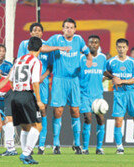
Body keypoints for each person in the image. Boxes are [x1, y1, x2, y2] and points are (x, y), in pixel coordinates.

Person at [44, 17, 93, 154]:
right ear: (62, 29)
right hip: (59, 80)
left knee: (75, 111)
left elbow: (88, 54)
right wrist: (58, 48)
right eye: (66, 27)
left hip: (74, 80)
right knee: (58, 111)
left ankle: (77, 144)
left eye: (71, 27)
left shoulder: (79, 40)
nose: (69, 29)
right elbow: (43, 48)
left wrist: (89, 60)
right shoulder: (56, 39)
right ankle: (56, 144)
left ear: (75, 29)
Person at [106, 38, 134, 155]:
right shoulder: (111, 62)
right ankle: (119, 147)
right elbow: (105, 72)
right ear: (116, 47)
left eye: (123, 47)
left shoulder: (133, 62)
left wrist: (121, 81)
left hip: (132, 94)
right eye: (119, 47)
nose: (121, 49)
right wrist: (112, 78)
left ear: (127, 48)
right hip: (119, 94)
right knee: (118, 121)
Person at [17, 22, 54, 155]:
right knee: (28, 117)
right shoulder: (24, 44)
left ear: (42, 33)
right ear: (31, 33)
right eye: (34, 30)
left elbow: (51, 66)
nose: (37, 32)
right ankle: (27, 148)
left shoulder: (47, 46)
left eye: (39, 30)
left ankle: (41, 145)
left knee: (42, 112)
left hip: (41, 83)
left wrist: (43, 76)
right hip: (28, 84)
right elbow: (19, 61)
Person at [10, 37, 44, 165]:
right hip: (27, 95)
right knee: (37, 126)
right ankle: (25, 154)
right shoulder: (36, 61)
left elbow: (11, 79)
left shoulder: (18, 60)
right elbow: (35, 82)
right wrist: (39, 101)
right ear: (40, 48)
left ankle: (26, 155)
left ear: (28, 47)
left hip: (15, 95)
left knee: (25, 127)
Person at [79, 35, 107, 155]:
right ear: (87, 44)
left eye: (96, 42)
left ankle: (99, 147)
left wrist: (112, 78)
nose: (93, 44)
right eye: (91, 42)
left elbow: (104, 72)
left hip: (98, 95)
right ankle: (85, 148)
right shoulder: (81, 58)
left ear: (99, 45)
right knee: (88, 117)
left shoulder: (102, 58)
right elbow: (76, 72)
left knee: (100, 119)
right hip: (84, 94)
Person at [0, 44, 18, 156]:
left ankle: (10, 147)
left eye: (3, 51)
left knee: (8, 121)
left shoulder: (8, 66)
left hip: (7, 97)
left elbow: (13, 79)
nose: (1, 53)